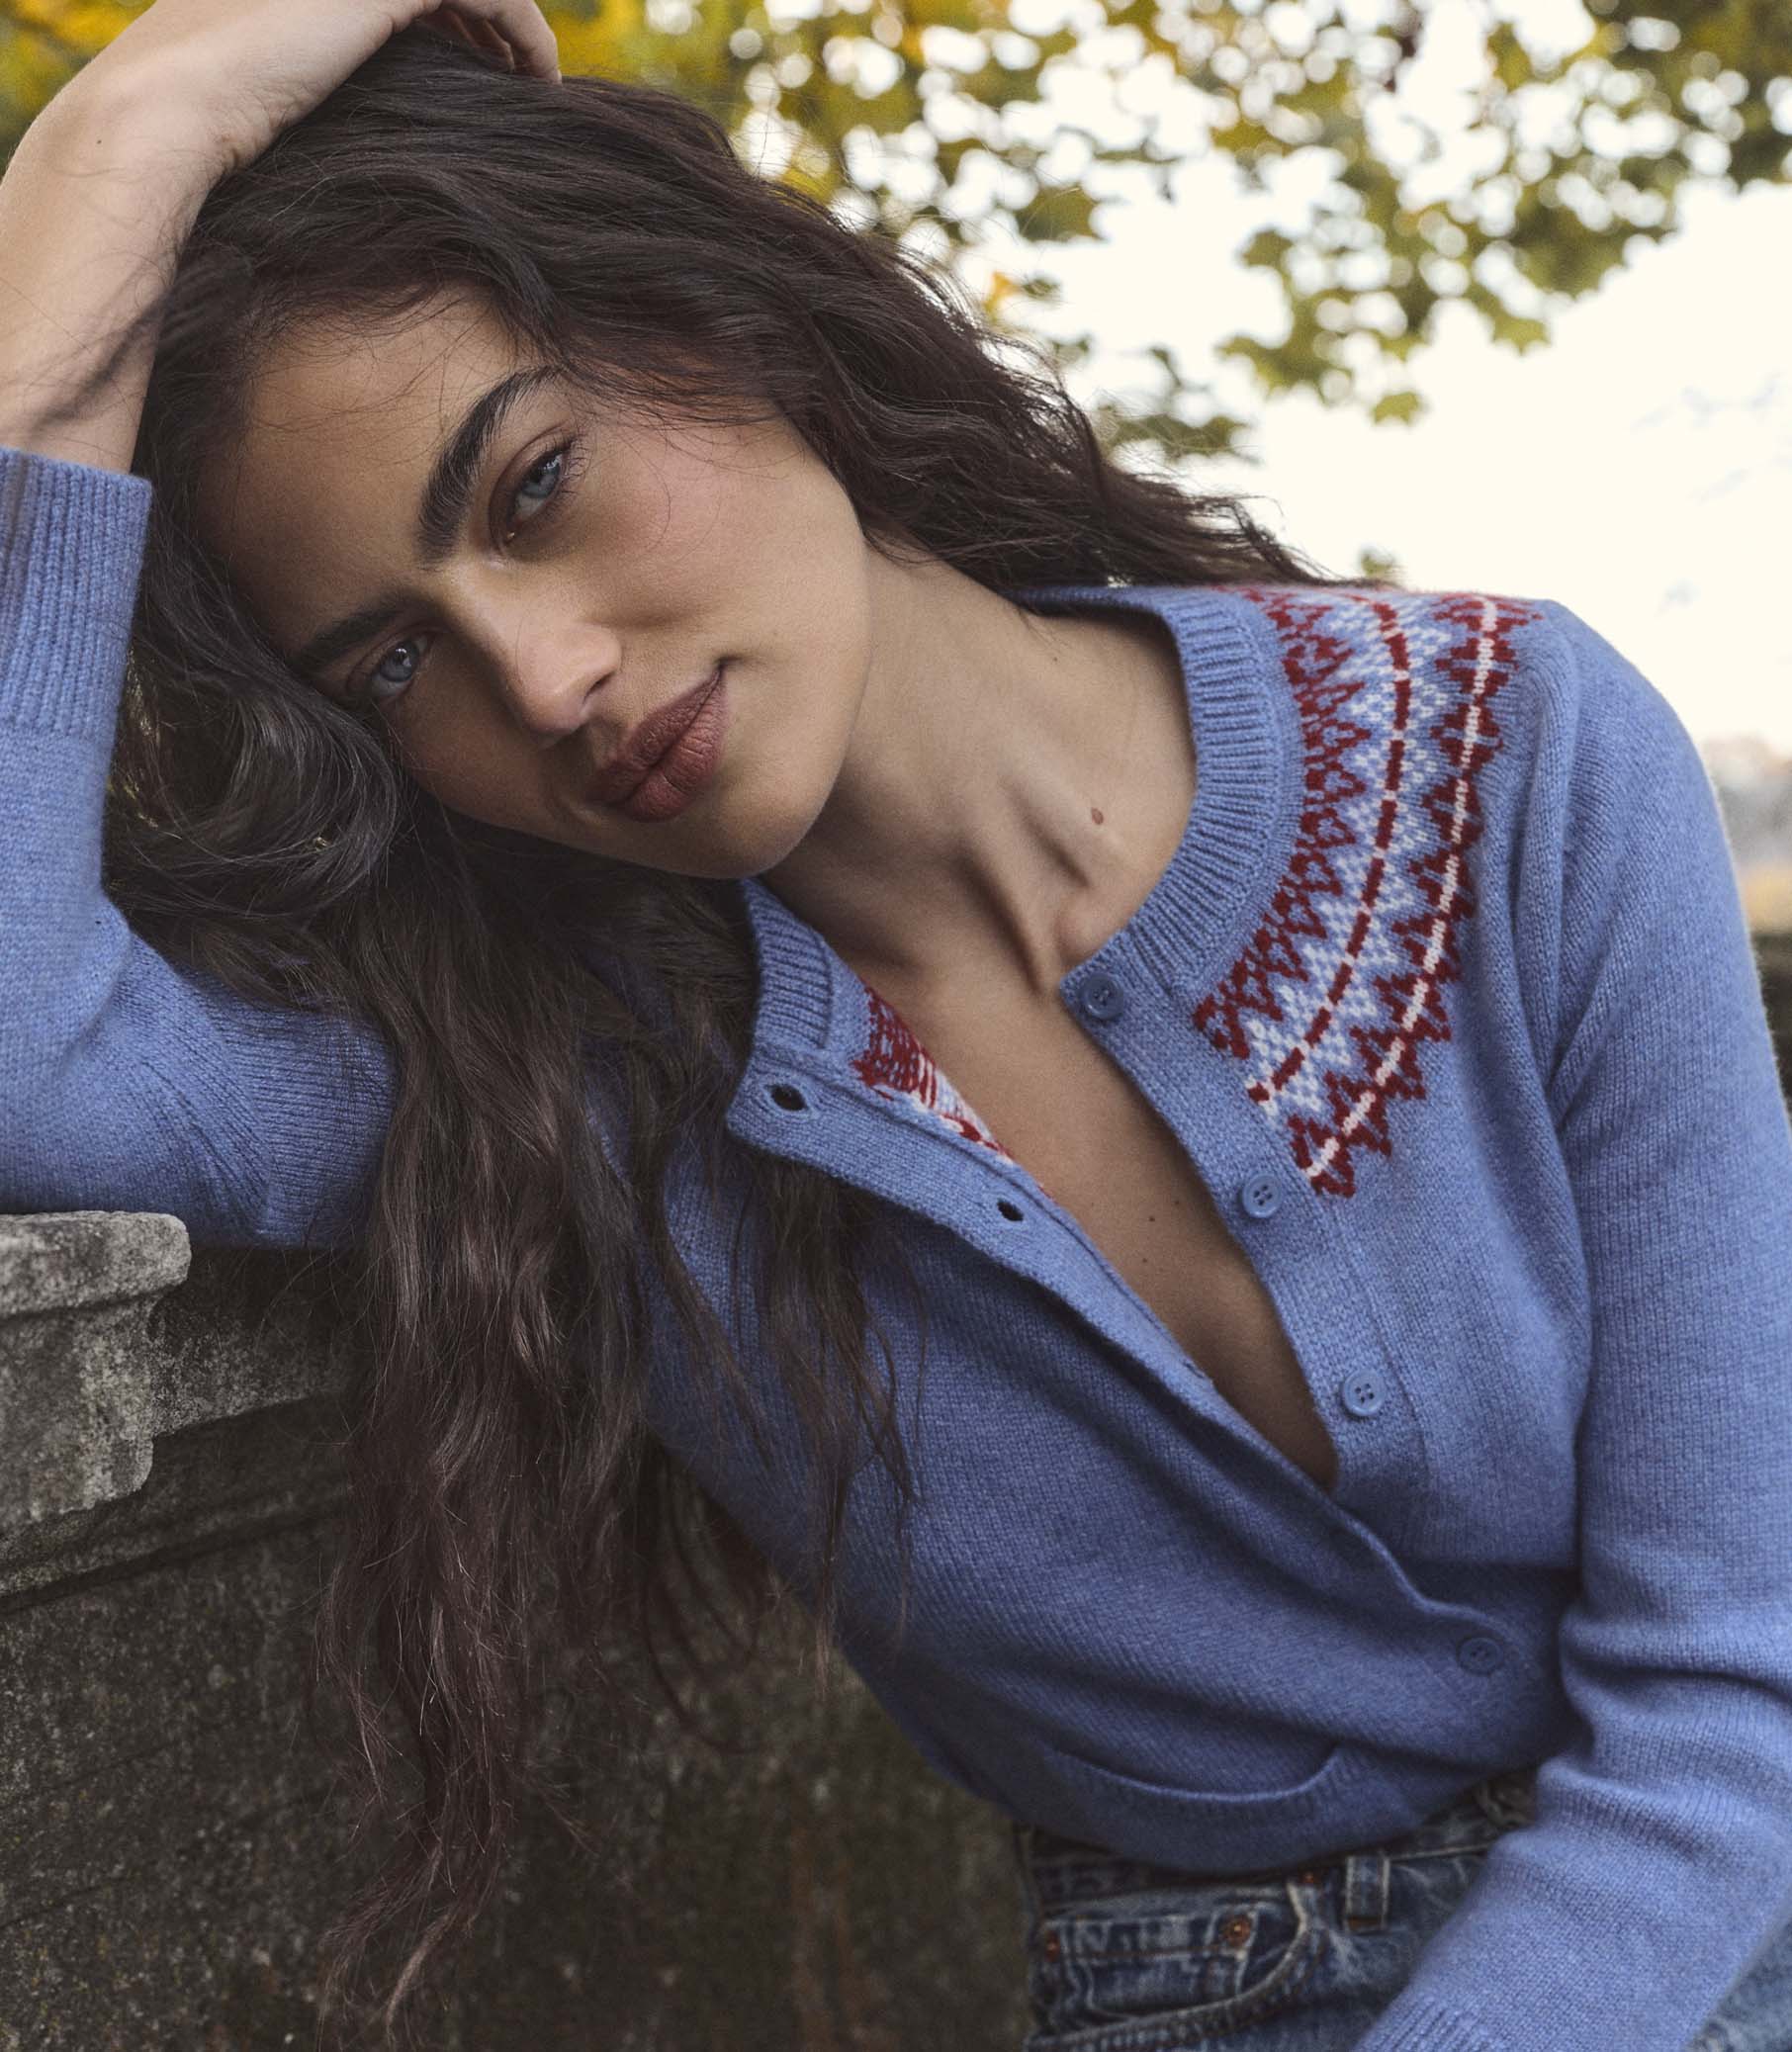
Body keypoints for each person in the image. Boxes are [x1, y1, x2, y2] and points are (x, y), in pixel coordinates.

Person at [3, 4, 1791, 2046]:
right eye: (401, 662)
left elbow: (1736, 1697)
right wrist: (125, 134)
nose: (547, 674)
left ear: (727, 318)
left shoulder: (1516, 763)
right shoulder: (561, 1089)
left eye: (535, 487)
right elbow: (19, 1043)